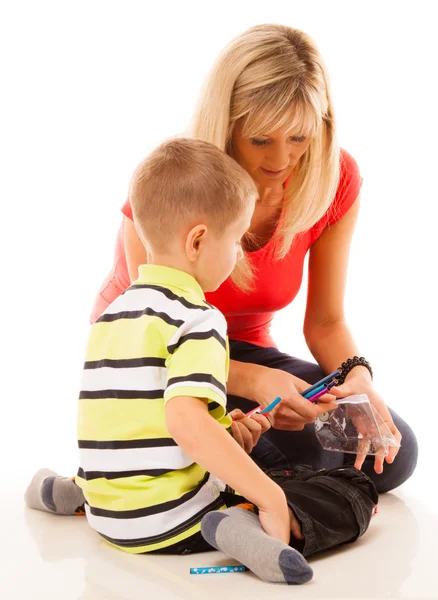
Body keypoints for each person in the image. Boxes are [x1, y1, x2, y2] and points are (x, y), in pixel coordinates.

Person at [26, 138, 378, 584]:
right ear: (198, 240)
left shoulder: (112, 315)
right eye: (235, 241)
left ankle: (65, 491)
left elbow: (130, 419)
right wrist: (267, 496)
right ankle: (236, 525)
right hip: (167, 524)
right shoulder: (198, 319)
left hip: (107, 513)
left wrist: (228, 433)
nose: (237, 257)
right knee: (347, 489)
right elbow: (187, 425)